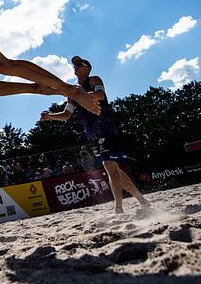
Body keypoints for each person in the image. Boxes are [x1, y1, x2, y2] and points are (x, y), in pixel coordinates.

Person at [41, 55, 151, 214]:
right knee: (115, 171)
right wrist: (50, 116)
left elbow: (101, 95)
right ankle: (143, 201)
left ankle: (119, 208)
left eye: (79, 64)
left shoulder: (93, 80)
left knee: (111, 169)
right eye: (74, 65)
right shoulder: (74, 91)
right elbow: (67, 114)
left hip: (106, 129)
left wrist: (80, 94)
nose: (75, 66)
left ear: (87, 67)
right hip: (94, 135)